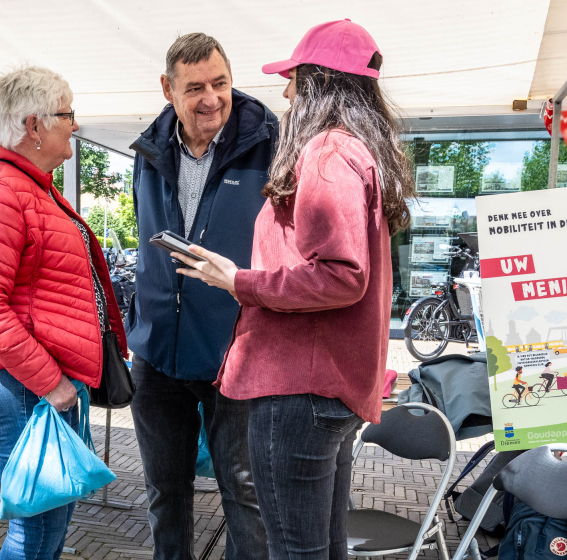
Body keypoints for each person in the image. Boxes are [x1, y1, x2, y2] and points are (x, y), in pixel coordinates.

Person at [173, 20, 414, 559]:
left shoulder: (328, 153)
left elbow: (340, 275)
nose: (285, 92)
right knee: (323, 546)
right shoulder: (358, 151)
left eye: (294, 79)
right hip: (326, 384)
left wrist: (238, 280)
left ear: (318, 84)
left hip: (298, 387)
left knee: (294, 549)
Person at [0, 64, 127, 560]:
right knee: (35, 531)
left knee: (48, 527)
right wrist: (51, 383)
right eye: (67, 115)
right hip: (24, 386)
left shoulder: (31, 187)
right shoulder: (0, 191)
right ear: (34, 125)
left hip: (37, 383)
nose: (74, 125)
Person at [126, 32, 275, 560]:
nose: (211, 98)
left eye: (220, 83)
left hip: (235, 354)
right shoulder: (147, 151)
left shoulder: (272, 145)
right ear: (168, 89)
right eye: (195, 88)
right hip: (156, 356)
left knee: (245, 495)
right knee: (165, 494)